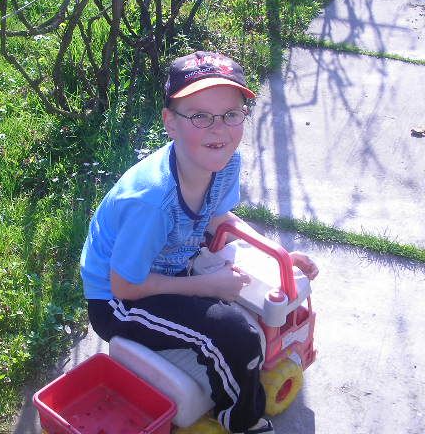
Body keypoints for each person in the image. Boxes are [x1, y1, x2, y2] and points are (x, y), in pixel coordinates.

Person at [80, 51, 319, 434]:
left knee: (252, 301)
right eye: (200, 116)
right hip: (117, 301)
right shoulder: (151, 202)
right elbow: (124, 287)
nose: (218, 130)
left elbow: (218, 218)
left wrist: (276, 257)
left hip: (170, 267)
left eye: (231, 114)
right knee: (235, 336)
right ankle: (241, 420)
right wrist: (206, 286)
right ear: (170, 123)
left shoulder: (224, 163)